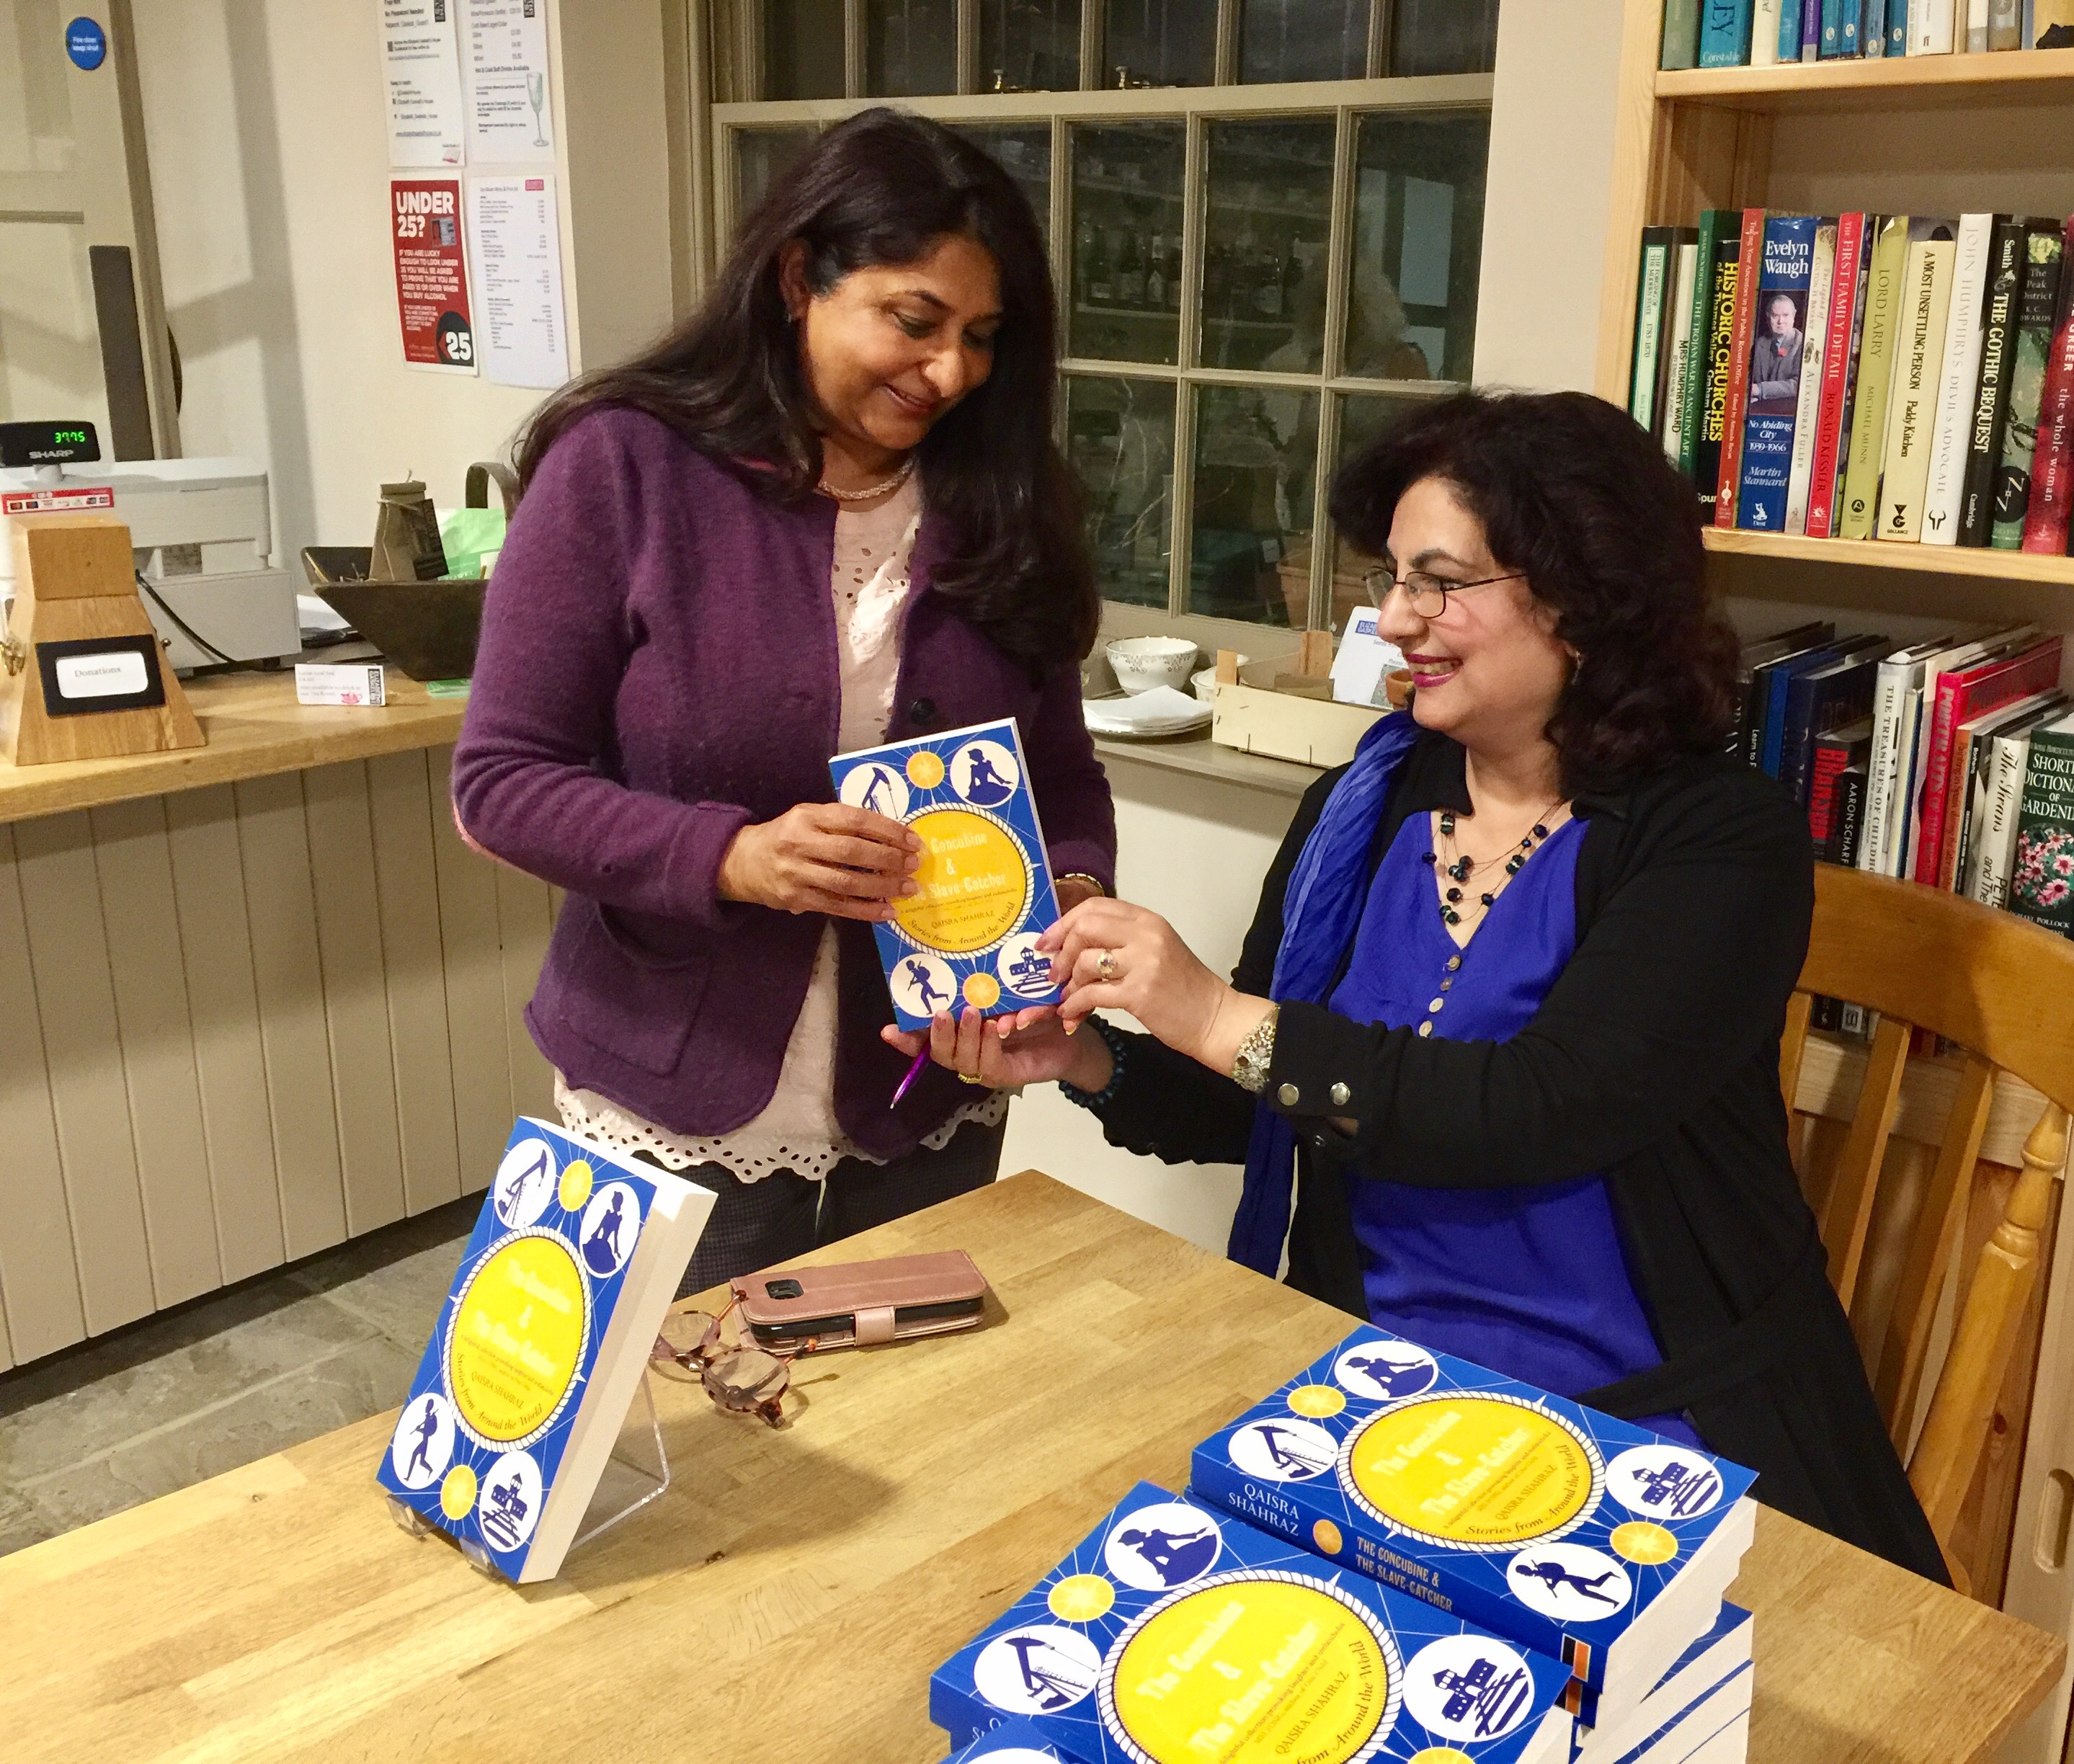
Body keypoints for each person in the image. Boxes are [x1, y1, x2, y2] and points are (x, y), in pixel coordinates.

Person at [899, 389, 1946, 1582]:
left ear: (1581, 598)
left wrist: (1213, 1011)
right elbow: (1262, 1104)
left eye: (1439, 583)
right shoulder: (1362, 808)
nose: (1395, 619)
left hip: (1645, 1419)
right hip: (1375, 1386)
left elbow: (1543, 1107)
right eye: (1393, 579)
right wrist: (1085, 1054)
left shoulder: (1717, 837)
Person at [452, 109, 1114, 1297]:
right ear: (800, 276)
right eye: (913, 320)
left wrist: (1061, 901)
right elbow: (502, 784)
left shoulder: (1008, 498)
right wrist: (732, 857)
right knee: (687, 1406)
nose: (951, 371)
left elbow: (1059, 775)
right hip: (670, 1097)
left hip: (925, 1094)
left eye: (981, 337)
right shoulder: (625, 467)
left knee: (926, 1403)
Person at [1749, 291, 1803, 409]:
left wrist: (1759, 389)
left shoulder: (1802, 344)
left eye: (1786, 315)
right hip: (1759, 407)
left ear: (1794, 316)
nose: (1780, 321)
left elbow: (1798, 385)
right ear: (1768, 317)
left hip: (1787, 410)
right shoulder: (1760, 343)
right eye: (1775, 316)